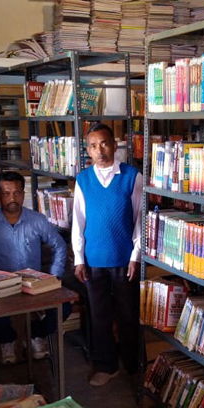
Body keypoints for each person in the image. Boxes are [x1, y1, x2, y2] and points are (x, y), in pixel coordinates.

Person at [72, 123, 143, 387]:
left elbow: (140, 220)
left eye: (104, 143)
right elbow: (78, 221)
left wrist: (136, 255)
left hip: (125, 261)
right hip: (93, 261)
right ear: (87, 150)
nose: (99, 150)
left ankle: (132, 364)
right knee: (99, 317)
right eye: (92, 145)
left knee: (128, 314)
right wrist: (79, 258)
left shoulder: (132, 176)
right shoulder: (83, 180)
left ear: (115, 145)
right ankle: (106, 365)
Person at [0, 171, 68, 364]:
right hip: (2, 285)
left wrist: (54, 275)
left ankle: (36, 334)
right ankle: (6, 340)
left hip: (33, 283)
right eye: (6, 193)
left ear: (24, 193)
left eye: (17, 193)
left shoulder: (37, 220)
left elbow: (59, 245)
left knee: (65, 305)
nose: (12, 198)